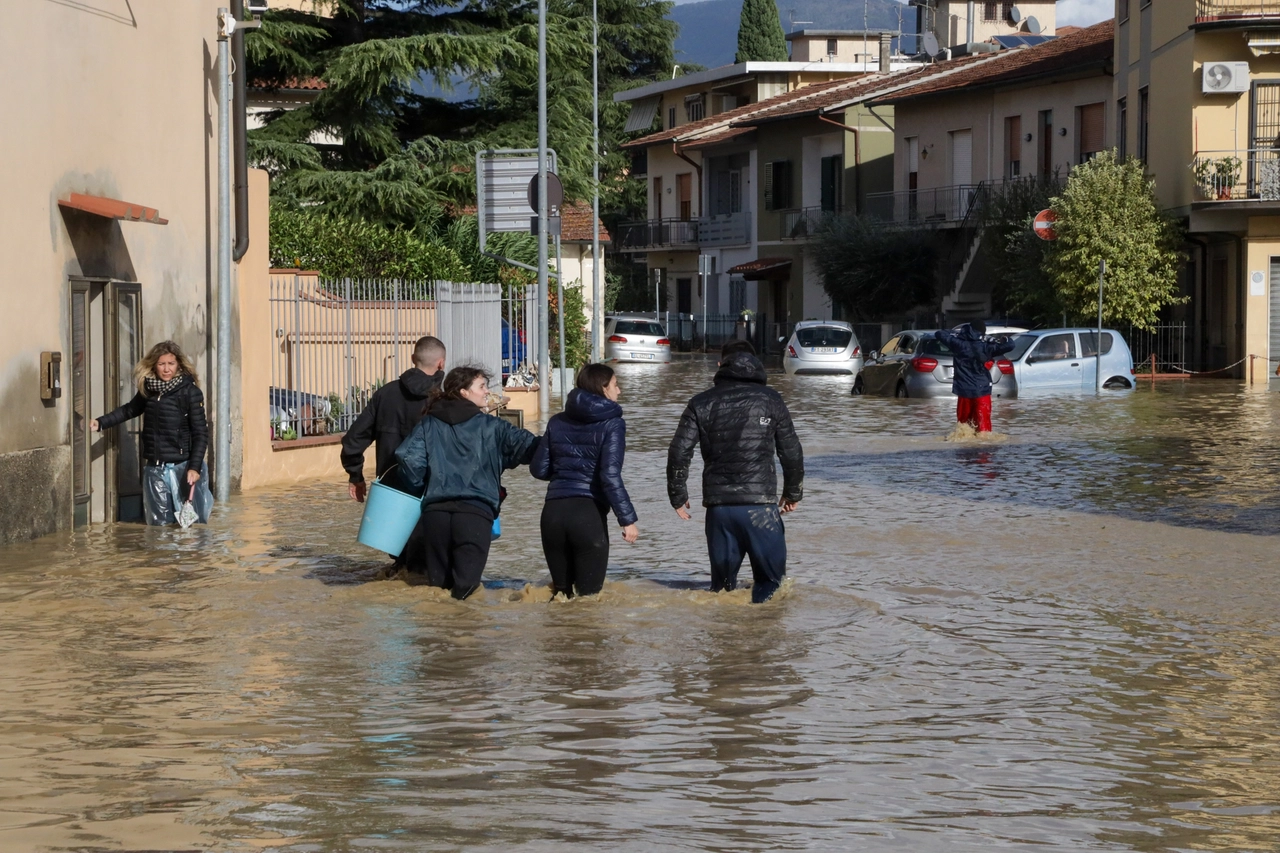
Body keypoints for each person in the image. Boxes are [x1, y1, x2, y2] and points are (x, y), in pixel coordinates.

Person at [667, 340, 804, 604]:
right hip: (760, 510)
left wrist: (677, 494)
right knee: (772, 588)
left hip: (720, 511)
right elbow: (791, 451)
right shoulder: (772, 400)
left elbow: (678, 451)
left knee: (721, 592)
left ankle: (725, 641)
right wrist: (792, 492)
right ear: (757, 365)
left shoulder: (700, 403)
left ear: (721, 366)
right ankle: (762, 641)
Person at [394, 366, 539, 600]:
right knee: (466, 594)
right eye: (482, 387)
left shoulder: (428, 423)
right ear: (463, 392)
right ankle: (462, 633)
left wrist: (421, 485)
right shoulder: (493, 426)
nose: (486, 393)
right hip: (474, 515)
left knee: (437, 592)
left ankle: (436, 635)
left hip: (435, 516)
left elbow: (407, 456)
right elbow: (530, 447)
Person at [530, 363, 639, 599]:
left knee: (561, 596)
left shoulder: (557, 421)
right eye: (615, 385)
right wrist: (627, 518)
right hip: (587, 517)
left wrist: (564, 472)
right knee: (589, 603)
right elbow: (609, 475)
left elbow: (538, 469)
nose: (618, 391)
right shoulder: (613, 423)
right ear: (603, 388)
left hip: (553, 515)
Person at [341, 335, 445, 572]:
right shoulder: (445, 399)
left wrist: (355, 476)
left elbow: (353, 441)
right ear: (441, 363)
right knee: (430, 569)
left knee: (403, 562)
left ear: (412, 359)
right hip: (435, 493)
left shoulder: (385, 394)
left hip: (392, 494)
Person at [90, 340, 213, 526]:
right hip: (155, 468)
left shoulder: (190, 392)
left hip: (184, 469)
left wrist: (194, 467)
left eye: (171, 364)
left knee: (190, 528)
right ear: (154, 365)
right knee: (159, 526)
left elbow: (200, 433)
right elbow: (129, 410)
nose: (166, 369)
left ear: (178, 364)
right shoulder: (149, 389)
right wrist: (100, 423)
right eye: (161, 364)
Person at [932, 320, 1014, 433]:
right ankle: (984, 449)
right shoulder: (986, 347)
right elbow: (1010, 345)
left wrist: (958, 334)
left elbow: (939, 333)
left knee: (963, 426)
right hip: (982, 391)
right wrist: (1004, 338)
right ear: (983, 333)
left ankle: (963, 449)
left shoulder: (958, 344)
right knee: (983, 428)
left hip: (964, 391)